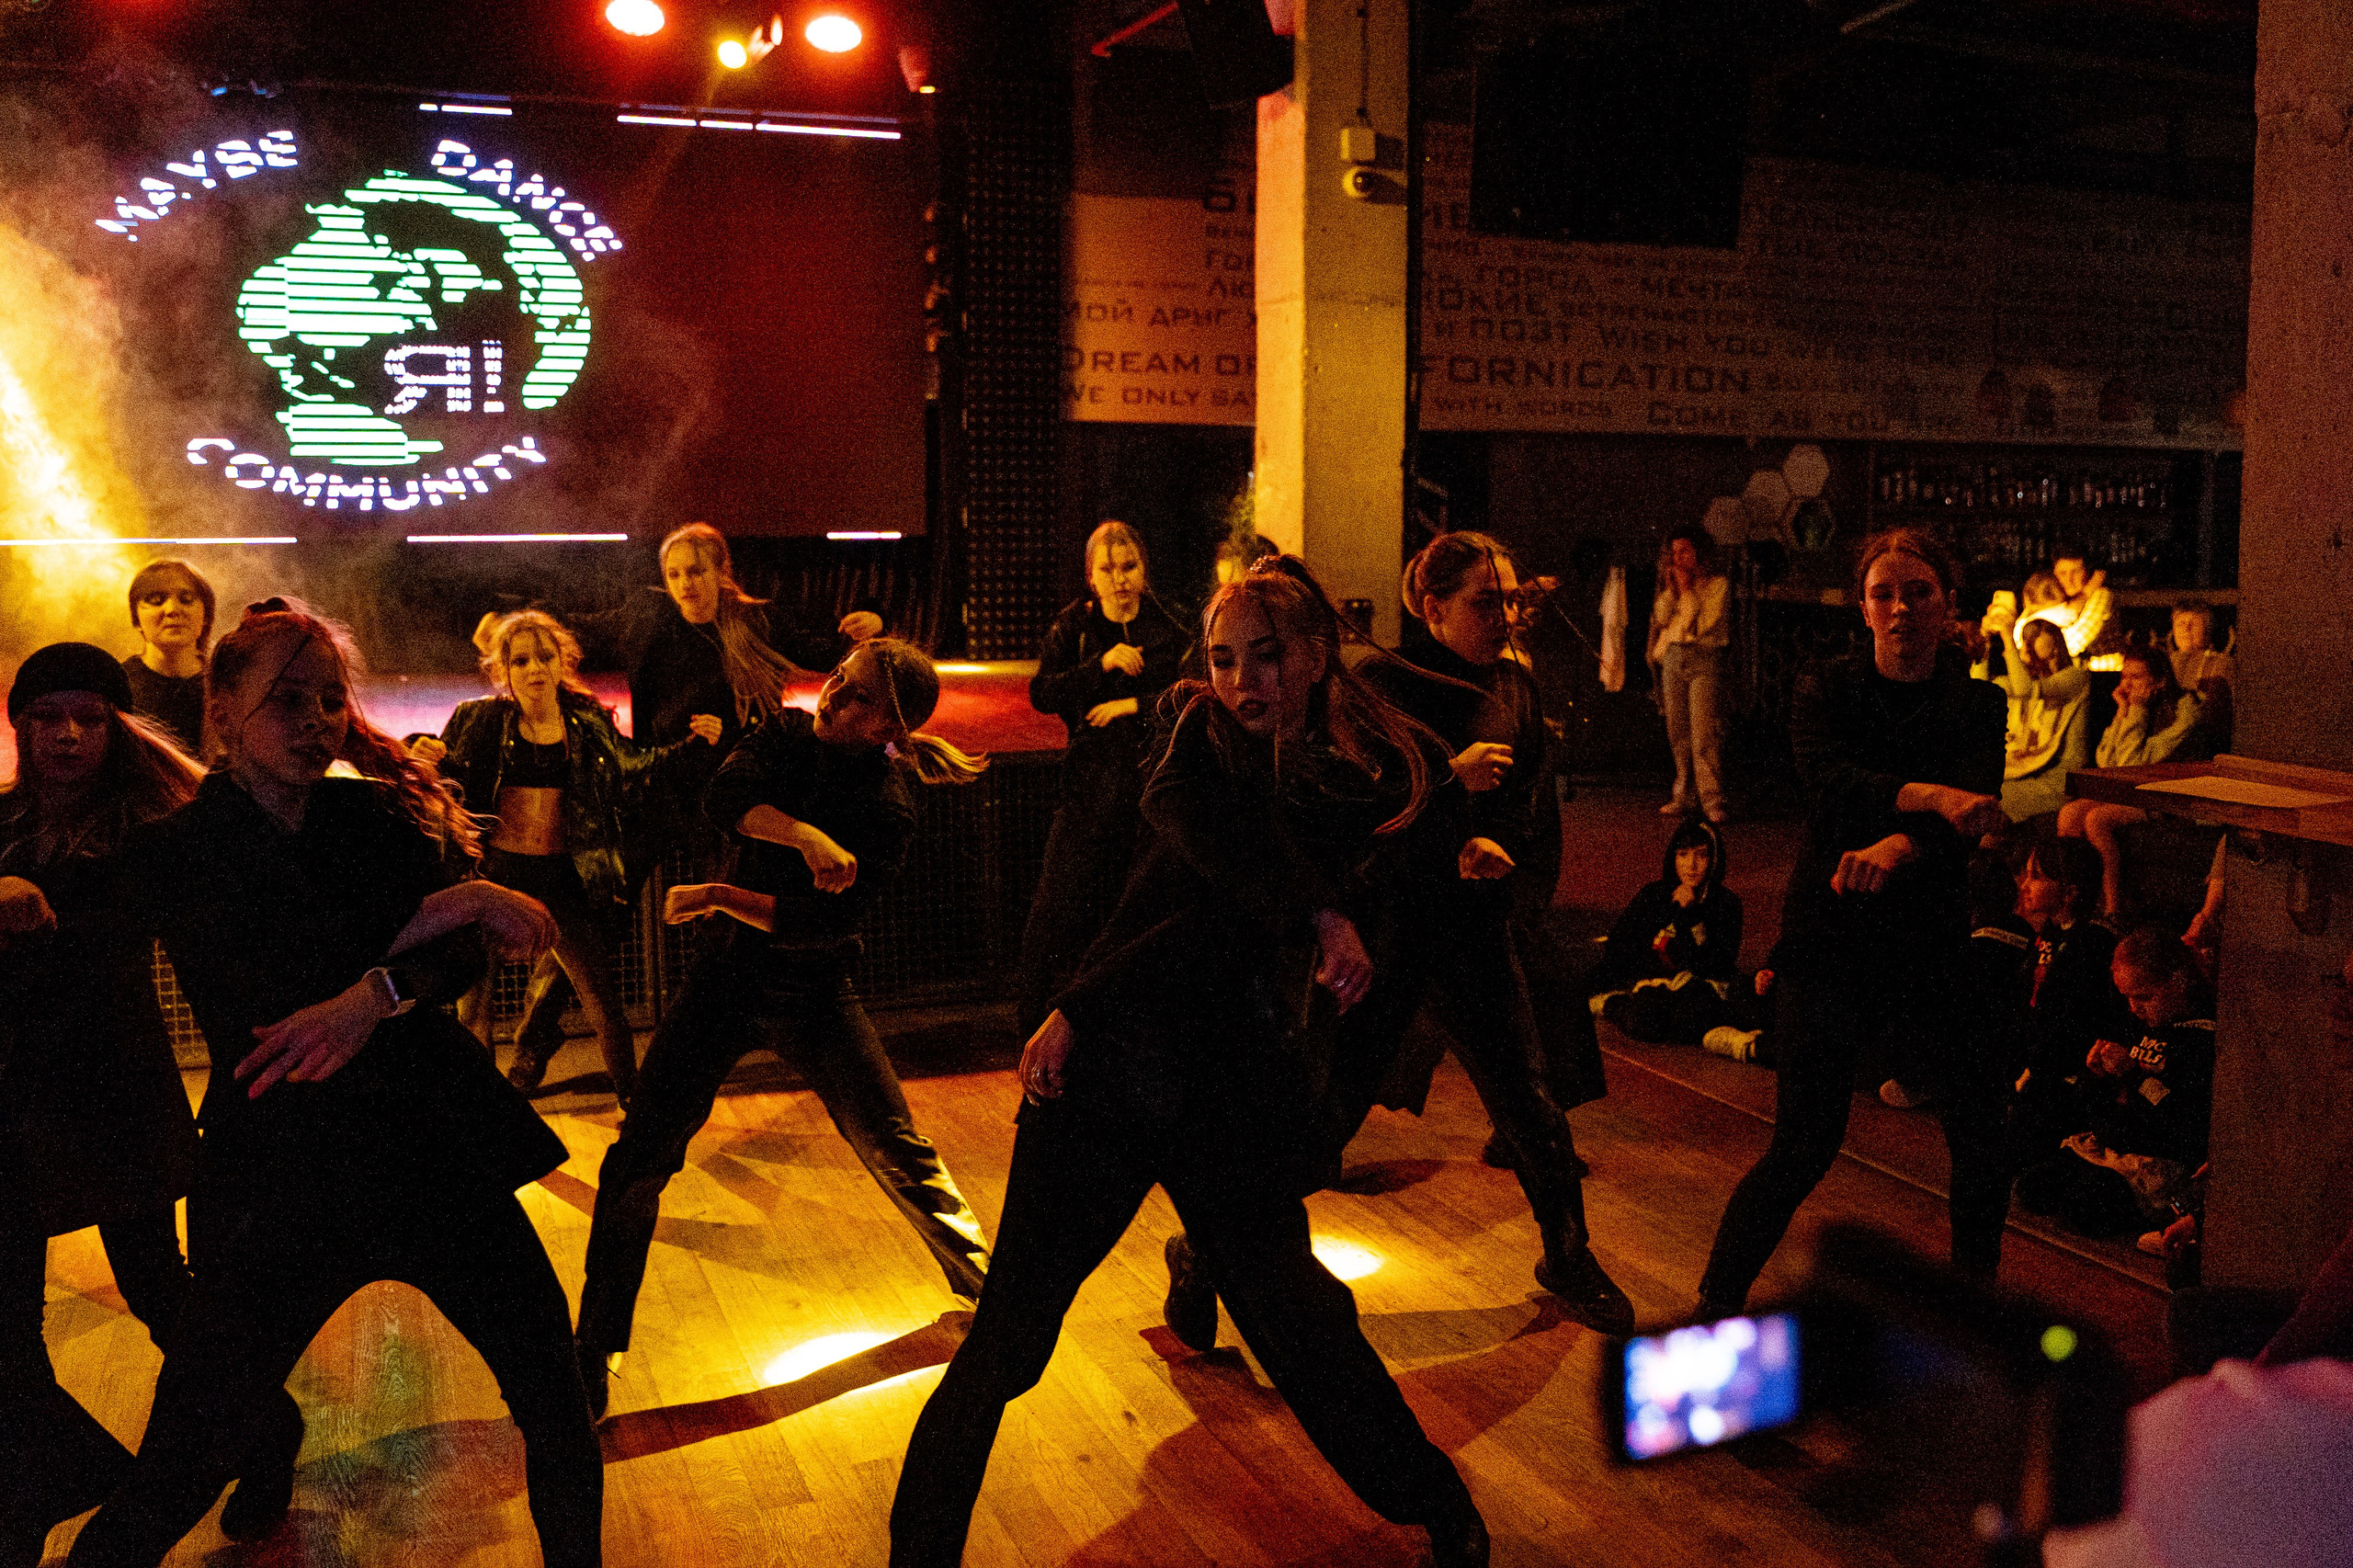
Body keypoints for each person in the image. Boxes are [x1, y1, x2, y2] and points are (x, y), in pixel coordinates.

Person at [889, 562, 1492, 1568]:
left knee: (1300, 1321)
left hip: (1230, 1085)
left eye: (1265, 655)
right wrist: (1074, 1007)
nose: (1242, 679)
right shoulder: (1194, 747)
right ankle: (918, 1554)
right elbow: (1170, 887)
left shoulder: (1361, 776)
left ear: (1313, 655)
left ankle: (1437, 1503)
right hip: (1113, 1064)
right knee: (1011, 1338)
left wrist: (1389, 895)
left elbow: (1379, 893)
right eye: (1222, 657)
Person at [61, 601, 601, 1568]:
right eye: (287, 701)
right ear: (222, 712)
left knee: (556, 1402)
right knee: (184, 1457)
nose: (316, 719)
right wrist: (455, 906)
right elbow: (282, 974)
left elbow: (456, 962)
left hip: (428, 1148)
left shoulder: (364, 815)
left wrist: (375, 994)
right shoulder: (182, 850)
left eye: (329, 699)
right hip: (283, 1177)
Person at [574, 638, 993, 1419]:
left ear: (884, 730)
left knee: (895, 1147)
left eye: (858, 695)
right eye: (840, 677)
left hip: (812, 984)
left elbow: (810, 922)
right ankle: (592, 1352)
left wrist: (717, 896)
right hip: (722, 983)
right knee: (639, 1157)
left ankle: (993, 1303)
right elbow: (724, 799)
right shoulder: (781, 734)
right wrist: (802, 835)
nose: (834, 693)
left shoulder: (888, 805)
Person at [1694, 529, 2011, 1318]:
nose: (1902, 608)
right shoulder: (1826, 688)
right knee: (1803, 1144)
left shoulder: (1977, 700)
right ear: (1864, 607)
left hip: (1929, 937)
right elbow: (1831, 786)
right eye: (1885, 593)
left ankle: (1973, 1319)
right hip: (1830, 936)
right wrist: (1931, 799)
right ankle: (1715, 1305)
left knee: (1980, 1140)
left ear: (1947, 603)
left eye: (1920, 592)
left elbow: (1975, 806)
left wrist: (1900, 843)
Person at [0, 647, 206, 1563]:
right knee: (9, 1320)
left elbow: (108, 941)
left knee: (161, 1293)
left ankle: (262, 1428)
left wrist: (32, 912)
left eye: (88, 716)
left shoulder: (149, 829)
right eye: (49, 716)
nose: (69, 733)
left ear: (115, 727)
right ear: (21, 727)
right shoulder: (2, 824)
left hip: (113, 1092)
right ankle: (28, 1497)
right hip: (15, 1098)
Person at [424, 610, 721, 1104]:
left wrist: (694, 745)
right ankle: (484, 1113)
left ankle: (635, 1102)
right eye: (522, 661)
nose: (535, 669)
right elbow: (445, 765)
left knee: (602, 1000)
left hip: (564, 875)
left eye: (545, 657)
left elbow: (634, 765)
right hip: (498, 876)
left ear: (563, 662)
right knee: (473, 1004)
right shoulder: (481, 719)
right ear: (504, 671)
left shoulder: (585, 722)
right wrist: (424, 752)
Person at [1013, 520, 1190, 1028]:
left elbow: (1195, 695)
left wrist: (1130, 705)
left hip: (1152, 796)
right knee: (1054, 918)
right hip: (1088, 794)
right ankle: (1036, 1030)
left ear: (1144, 570)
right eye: (1108, 569)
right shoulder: (1074, 627)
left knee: (1136, 919)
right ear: (1091, 576)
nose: (1120, 580)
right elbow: (1043, 693)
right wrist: (1103, 664)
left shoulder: (1171, 624)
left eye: (1129, 567)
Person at [2015, 928, 2214, 1238]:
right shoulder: (2135, 1023)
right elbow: (2092, 1100)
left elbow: (2180, 1117)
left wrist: (2132, 1074)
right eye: (2128, 997)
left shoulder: (2200, 1039)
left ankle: (2164, 1221)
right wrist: (2096, 1072)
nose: (2135, 1007)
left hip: (2156, 1162)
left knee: (2080, 1206)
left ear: (2178, 981)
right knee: (2033, 1185)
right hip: (2111, 1146)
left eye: (2144, 997)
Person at [2056, 648, 2206, 919]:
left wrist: (2135, 711)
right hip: (2132, 790)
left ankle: (2112, 910)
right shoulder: (2137, 707)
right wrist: (2121, 713)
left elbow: (2132, 765)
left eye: (2136, 677)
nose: (2126, 685)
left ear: (2160, 681)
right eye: (2124, 677)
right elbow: (2106, 761)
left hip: (2166, 795)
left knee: (2096, 820)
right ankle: (2073, 900)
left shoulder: (2185, 712)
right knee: (2069, 813)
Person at [1587, 815, 1749, 1052]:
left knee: (1692, 1018)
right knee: (1645, 1021)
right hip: (1656, 983)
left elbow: (1715, 963)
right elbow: (1622, 942)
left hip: (1701, 984)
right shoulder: (1654, 894)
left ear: (1714, 859)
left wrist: (1691, 915)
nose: (1691, 866)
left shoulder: (1726, 903)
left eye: (1701, 855)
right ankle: (1611, 1002)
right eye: (1683, 855)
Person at [1648, 523, 1731, 822]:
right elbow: (1661, 618)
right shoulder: (1673, 588)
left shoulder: (1717, 585)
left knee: (1704, 732)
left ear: (1699, 552)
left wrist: (1685, 591)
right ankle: (1683, 795)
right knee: (1678, 731)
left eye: (1684, 551)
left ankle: (1712, 800)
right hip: (1673, 659)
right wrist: (1674, 590)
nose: (1678, 558)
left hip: (1703, 659)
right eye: (1674, 553)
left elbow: (1700, 624)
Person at [1992, 616, 2092, 823]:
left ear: (2055, 643)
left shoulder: (2075, 677)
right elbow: (1983, 686)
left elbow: (2025, 690)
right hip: (2029, 769)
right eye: (2025, 637)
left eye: (2035, 635)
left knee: (1995, 801)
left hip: (2061, 775)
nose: (2027, 642)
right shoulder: (2031, 680)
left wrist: (2008, 638)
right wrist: (1982, 647)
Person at [119, 560, 215, 756]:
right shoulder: (118, 686)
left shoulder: (226, 684)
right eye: (156, 600)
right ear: (136, 619)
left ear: (205, 615)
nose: (172, 610)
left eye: (186, 599)